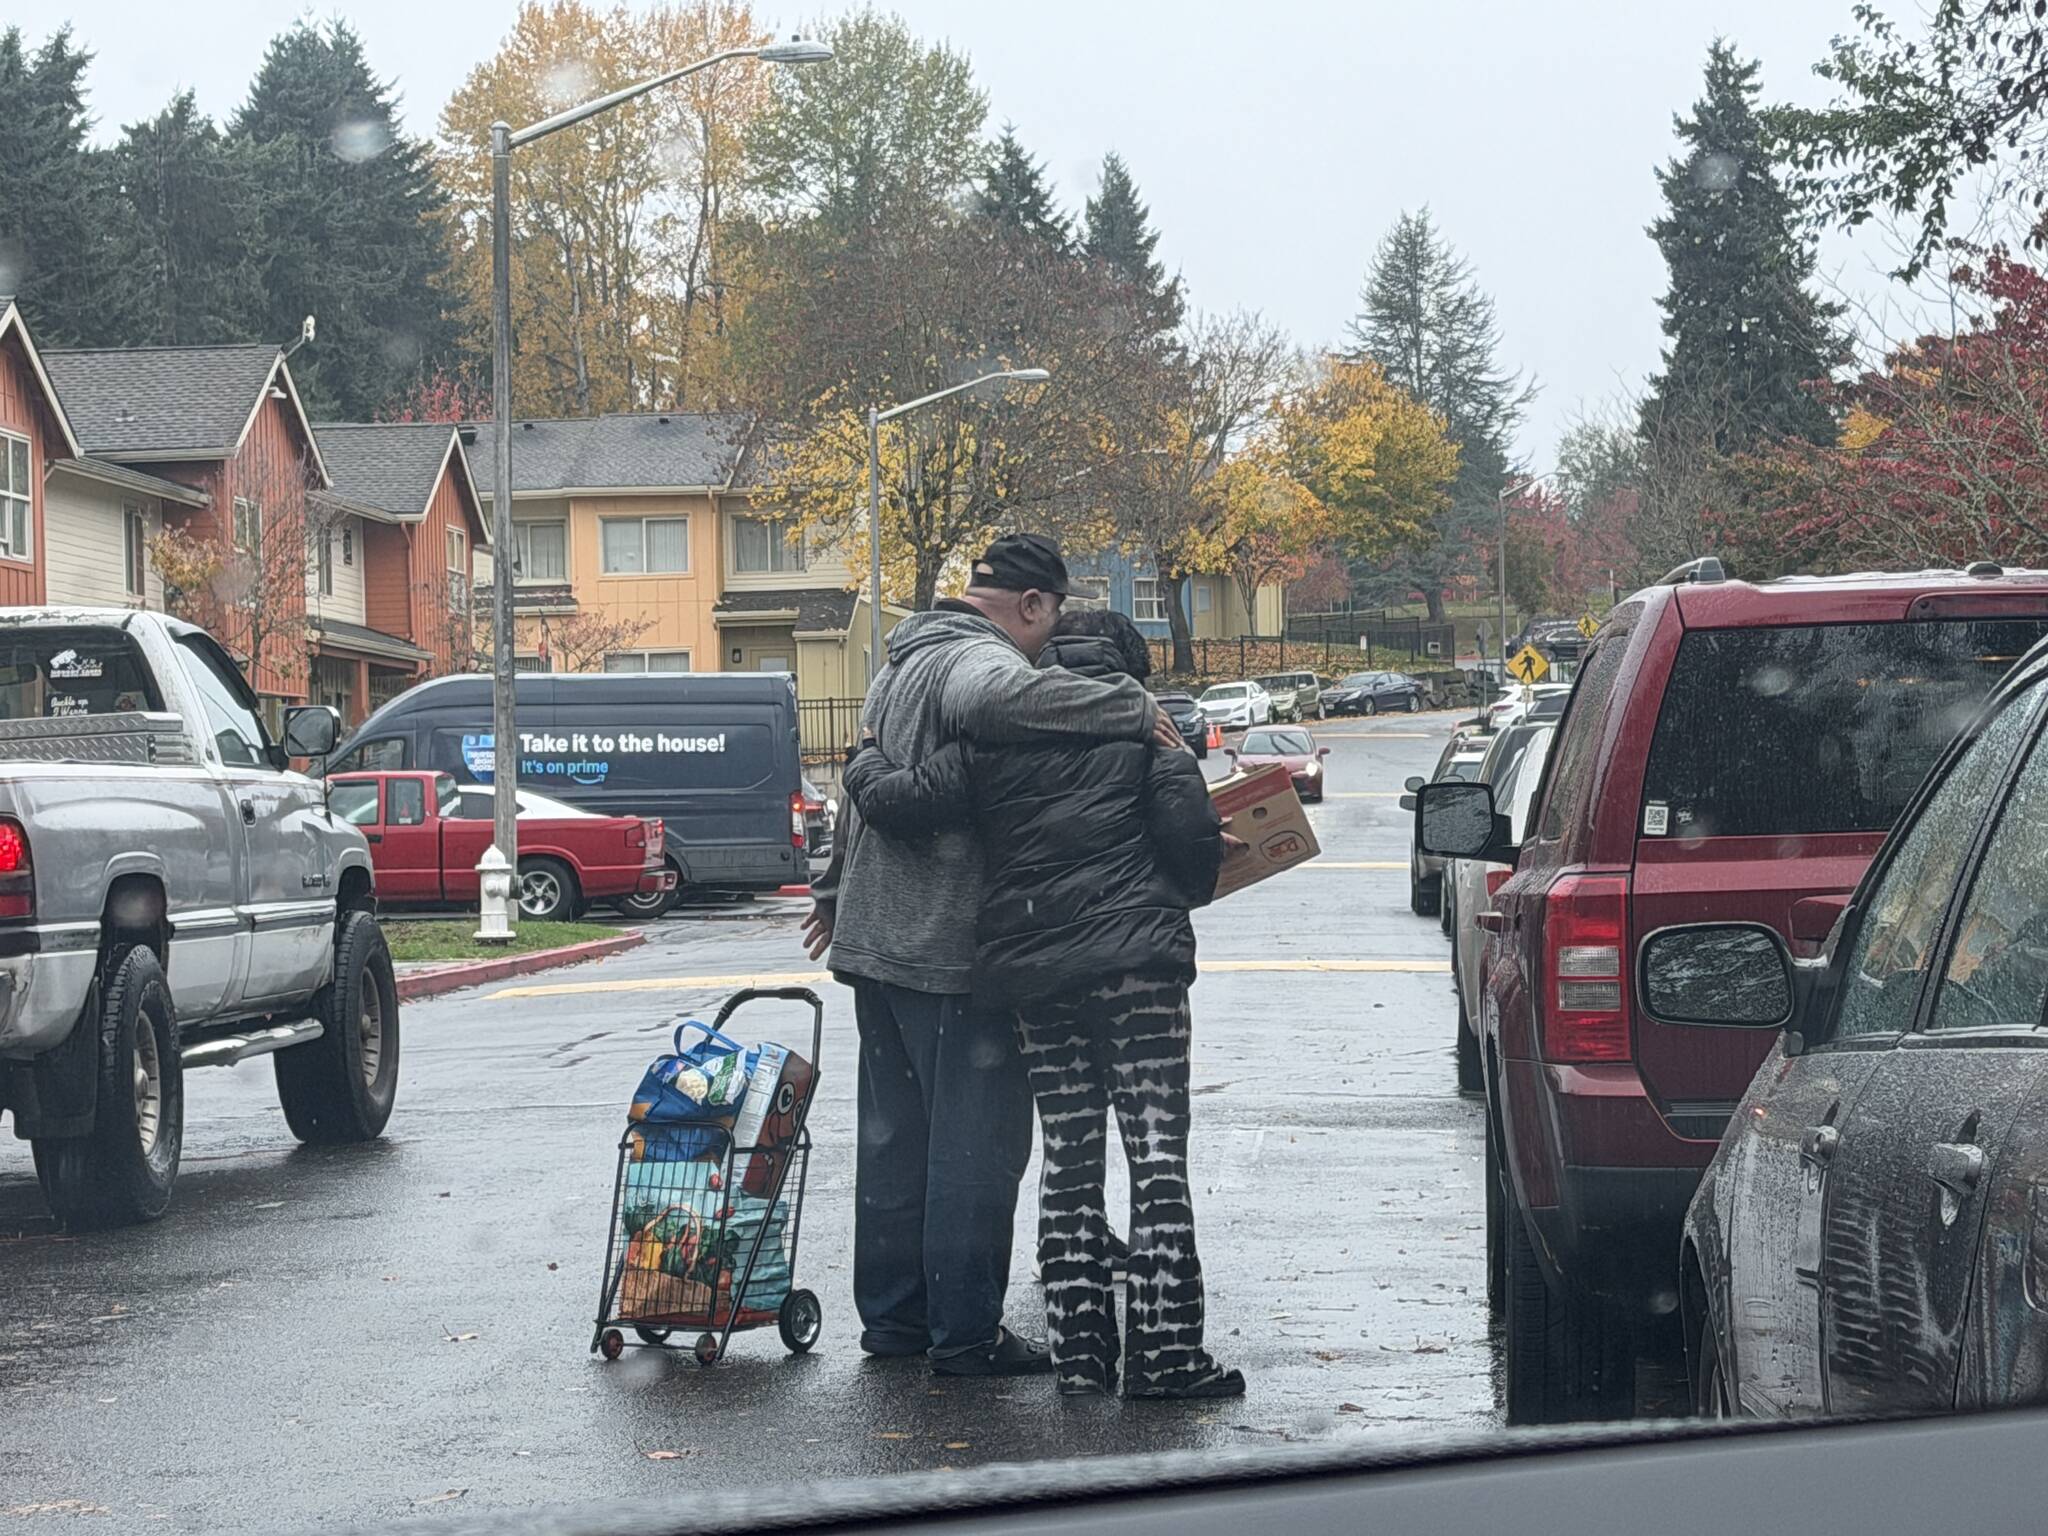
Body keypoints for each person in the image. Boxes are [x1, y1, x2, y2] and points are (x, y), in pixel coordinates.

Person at [841, 607, 1243, 1399]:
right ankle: (1165, 1360)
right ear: (1130, 671)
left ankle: (1081, 1356)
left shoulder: (995, 740)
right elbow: (1194, 855)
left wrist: (859, 763)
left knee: (1069, 1162)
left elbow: (900, 800)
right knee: (1157, 1161)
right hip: (1138, 981)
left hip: (1031, 979)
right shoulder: (1147, 733)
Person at [804, 533, 1179, 1377]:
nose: (1042, 656)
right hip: (944, 949)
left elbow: (860, 787)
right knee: (974, 1151)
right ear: (1033, 605)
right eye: (1044, 636)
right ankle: (966, 1336)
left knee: (896, 1148)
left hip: (877, 944)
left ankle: (897, 1323)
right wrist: (1128, 709)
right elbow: (1004, 702)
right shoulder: (975, 660)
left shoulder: (900, 663)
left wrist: (835, 892)